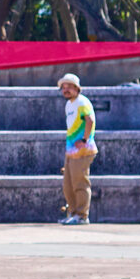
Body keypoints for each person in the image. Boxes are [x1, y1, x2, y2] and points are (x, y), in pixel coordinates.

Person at [58, 73, 98, 224]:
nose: (66, 90)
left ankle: (82, 215)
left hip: (83, 150)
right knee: (68, 185)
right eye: (63, 87)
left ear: (77, 88)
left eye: (69, 86)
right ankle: (73, 214)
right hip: (71, 151)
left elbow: (90, 120)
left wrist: (84, 140)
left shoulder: (82, 102)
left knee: (80, 183)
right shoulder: (69, 104)